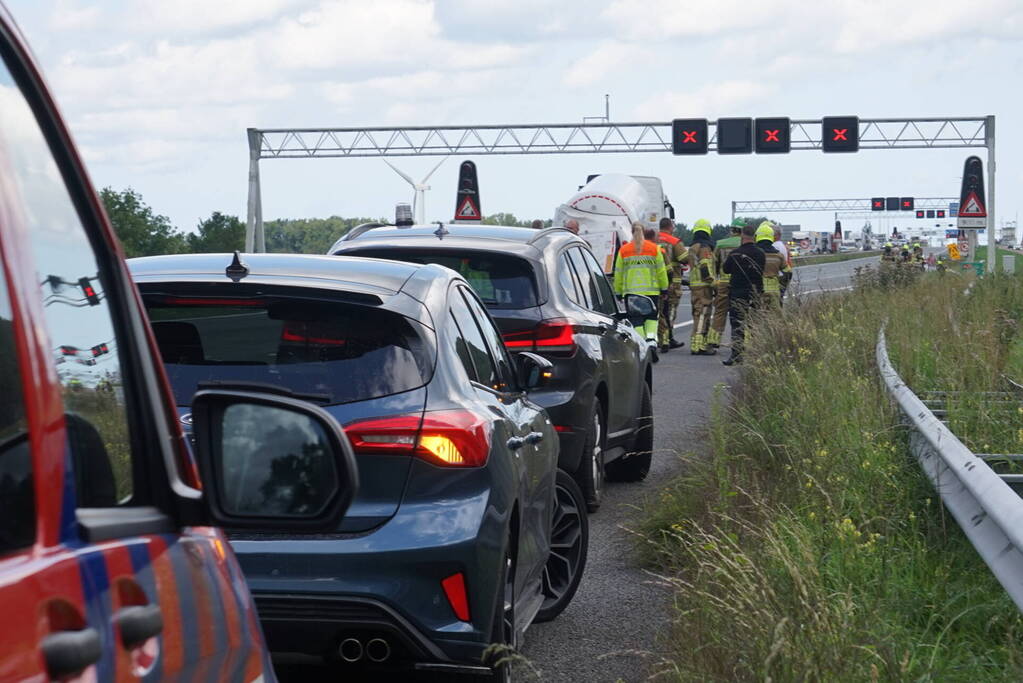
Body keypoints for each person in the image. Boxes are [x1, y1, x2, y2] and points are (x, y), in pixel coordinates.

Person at [614, 221, 668, 359]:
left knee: (636, 320)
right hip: (651, 292)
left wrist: (618, 292)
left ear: (631, 232)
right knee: (651, 318)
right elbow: (661, 271)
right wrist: (664, 289)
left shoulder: (624, 250)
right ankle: (652, 343)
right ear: (643, 232)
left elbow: (618, 273)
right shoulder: (654, 249)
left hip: (631, 293)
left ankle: (643, 344)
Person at [722, 223, 765, 366]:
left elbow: (726, 269)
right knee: (755, 323)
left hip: (737, 292)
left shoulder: (735, 253)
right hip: (755, 293)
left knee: (737, 324)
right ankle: (756, 354)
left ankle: (736, 355)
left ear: (742, 236)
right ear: (754, 237)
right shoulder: (760, 253)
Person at [709, 218, 744, 349]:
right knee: (741, 312)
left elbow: (713, 264)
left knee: (720, 311)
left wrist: (714, 281)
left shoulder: (720, 244)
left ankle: (714, 340)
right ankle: (741, 341)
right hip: (739, 283)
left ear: (731, 230)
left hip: (723, 283)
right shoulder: (745, 244)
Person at [656, 217, 688, 351]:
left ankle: (659, 338)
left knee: (659, 312)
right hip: (672, 282)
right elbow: (685, 258)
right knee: (670, 311)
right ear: (670, 227)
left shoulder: (652, 240)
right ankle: (668, 338)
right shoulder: (674, 242)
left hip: (655, 281)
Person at [687, 218, 717, 355]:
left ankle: (696, 343)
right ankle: (699, 346)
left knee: (697, 314)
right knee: (703, 314)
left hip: (695, 286)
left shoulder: (692, 247)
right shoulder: (705, 247)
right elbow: (705, 267)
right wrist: (714, 283)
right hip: (704, 286)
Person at [755, 222, 790, 311]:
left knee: (759, 314)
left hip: (759, 290)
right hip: (774, 290)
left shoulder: (754, 254)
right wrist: (782, 285)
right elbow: (788, 271)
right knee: (775, 315)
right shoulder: (778, 254)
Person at [773, 225, 793, 302]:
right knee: (779, 298)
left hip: (779, 275)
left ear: (776, 235)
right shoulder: (781, 245)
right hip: (784, 273)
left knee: (776, 299)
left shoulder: (775, 246)